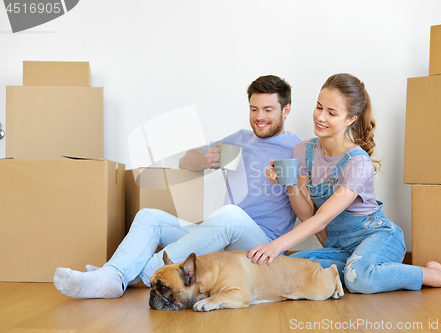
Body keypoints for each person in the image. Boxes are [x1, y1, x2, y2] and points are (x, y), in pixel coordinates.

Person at [53, 75, 302, 298]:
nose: (259, 117)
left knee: (231, 215)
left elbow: (307, 212)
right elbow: (186, 161)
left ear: (286, 110)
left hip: (261, 246)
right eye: (254, 109)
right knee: (149, 217)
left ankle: (127, 275)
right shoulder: (239, 140)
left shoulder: (299, 149)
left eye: (268, 110)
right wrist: (204, 160)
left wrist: (288, 182)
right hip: (220, 235)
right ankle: (115, 274)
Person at [247, 73, 441, 294]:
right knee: (290, 265)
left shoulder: (358, 163)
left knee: (359, 279)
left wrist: (275, 245)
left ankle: (434, 275)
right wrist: (289, 184)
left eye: (331, 113)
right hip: (341, 247)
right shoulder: (303, 151)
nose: (320, 117)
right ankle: (355, 269)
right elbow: (307, 214)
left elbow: (321, 219)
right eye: (319, 107)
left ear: (350, 119)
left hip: (378, 238)